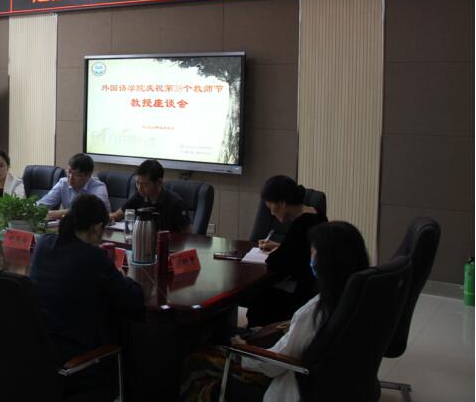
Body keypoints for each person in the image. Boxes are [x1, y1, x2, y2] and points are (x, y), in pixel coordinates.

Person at [180, 221, 370, 402]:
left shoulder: (316, 310)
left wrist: (243, 349)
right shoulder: (356, 300)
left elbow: (273, 365)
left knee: (196, 360)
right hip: (332, 386)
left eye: (313, 255)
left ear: (327, 263)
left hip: (289, 383)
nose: (310, 260)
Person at [30, 193, 144, 397]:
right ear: (97, 228)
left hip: (38, 354)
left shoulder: (43, 244)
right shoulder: (93, 256)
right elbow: (134, 300)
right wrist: (122, 276)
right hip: (77, 360)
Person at [246, 175, 327, 327]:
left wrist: (278, 251)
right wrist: (279, 246)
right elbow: (301, 251)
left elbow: (276, 262)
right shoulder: (317, 214)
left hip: (301, 296)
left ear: (282, 203)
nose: (271, 213)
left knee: (259, 299)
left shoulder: (301, 224)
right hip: (315, 291)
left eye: (271, 207)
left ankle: (256, 336)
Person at [109, 159, 189, 233]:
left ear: (159, 183)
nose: (139, 188)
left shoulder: (176, 203)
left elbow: (188, 236)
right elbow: (117, 215)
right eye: (137, 183)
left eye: (145, 185)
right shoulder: (139, 196)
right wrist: (109, 218)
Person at [37, 153, 110, 219]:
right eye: (69, 172)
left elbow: (94, 212)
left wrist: (56, 213)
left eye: (76, 175)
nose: (70, 178)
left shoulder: (98, 187)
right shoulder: (63, 183)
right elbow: (41, 205)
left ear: (88, 175)